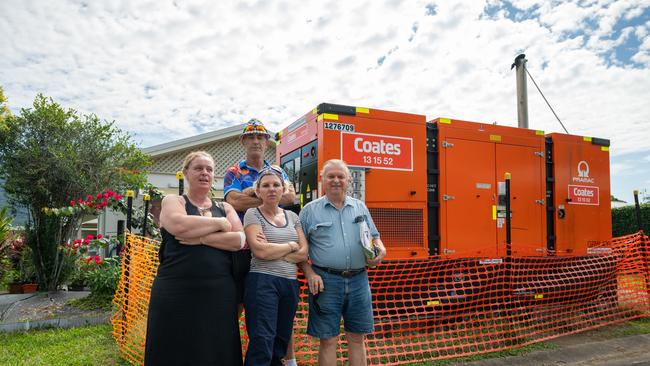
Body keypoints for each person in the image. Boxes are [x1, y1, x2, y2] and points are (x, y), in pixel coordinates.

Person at [144, 151, 246, 366]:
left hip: (218, 292)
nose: (204, 173)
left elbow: (238, 240)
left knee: (215, 348)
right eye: (198, 168)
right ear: (186, 173)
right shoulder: (173, 200)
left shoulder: (225, 207)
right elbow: (177, 225)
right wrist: (220, 225)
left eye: (209, 169)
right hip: (175, 290)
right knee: (173, 347)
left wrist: (201, 239)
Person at [298, 159, 387, 366]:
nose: (336, 180)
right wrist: (310, 274)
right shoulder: (309, 211)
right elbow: (299, 251)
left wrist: (381, 250)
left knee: (357, 337)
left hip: (359, 280)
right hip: (326, 282)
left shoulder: (360, 207)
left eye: (340, 176)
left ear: (348, 180)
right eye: (331, 176)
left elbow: (374, 237)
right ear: (322, 180)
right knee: (328, 340)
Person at [223, 118, 298, 365]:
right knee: (236, 306)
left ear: (267, 142)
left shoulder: (278, 169)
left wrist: (254, 193)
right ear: (243, 141)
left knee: (281, 314)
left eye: (261, 137)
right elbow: (233, 202)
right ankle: (228, 356)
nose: (256, 141)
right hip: (243, 248)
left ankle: (289, 361)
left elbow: (292, 197)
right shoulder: (234, 171)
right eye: (251, 137)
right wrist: (271, 198)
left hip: (273, 246)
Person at [243, 166, 308, 365]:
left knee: (280, 340)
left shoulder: (293, 217)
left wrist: (276, 249)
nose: (271, 189)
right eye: (266, 185)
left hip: (289, 283)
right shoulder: (252, 214)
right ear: (258, 191)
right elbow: (260, 251)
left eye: (276, 185)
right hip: (263, 282)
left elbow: (304, 252)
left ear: (283, 189)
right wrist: (290, 246)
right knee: (262, 339)